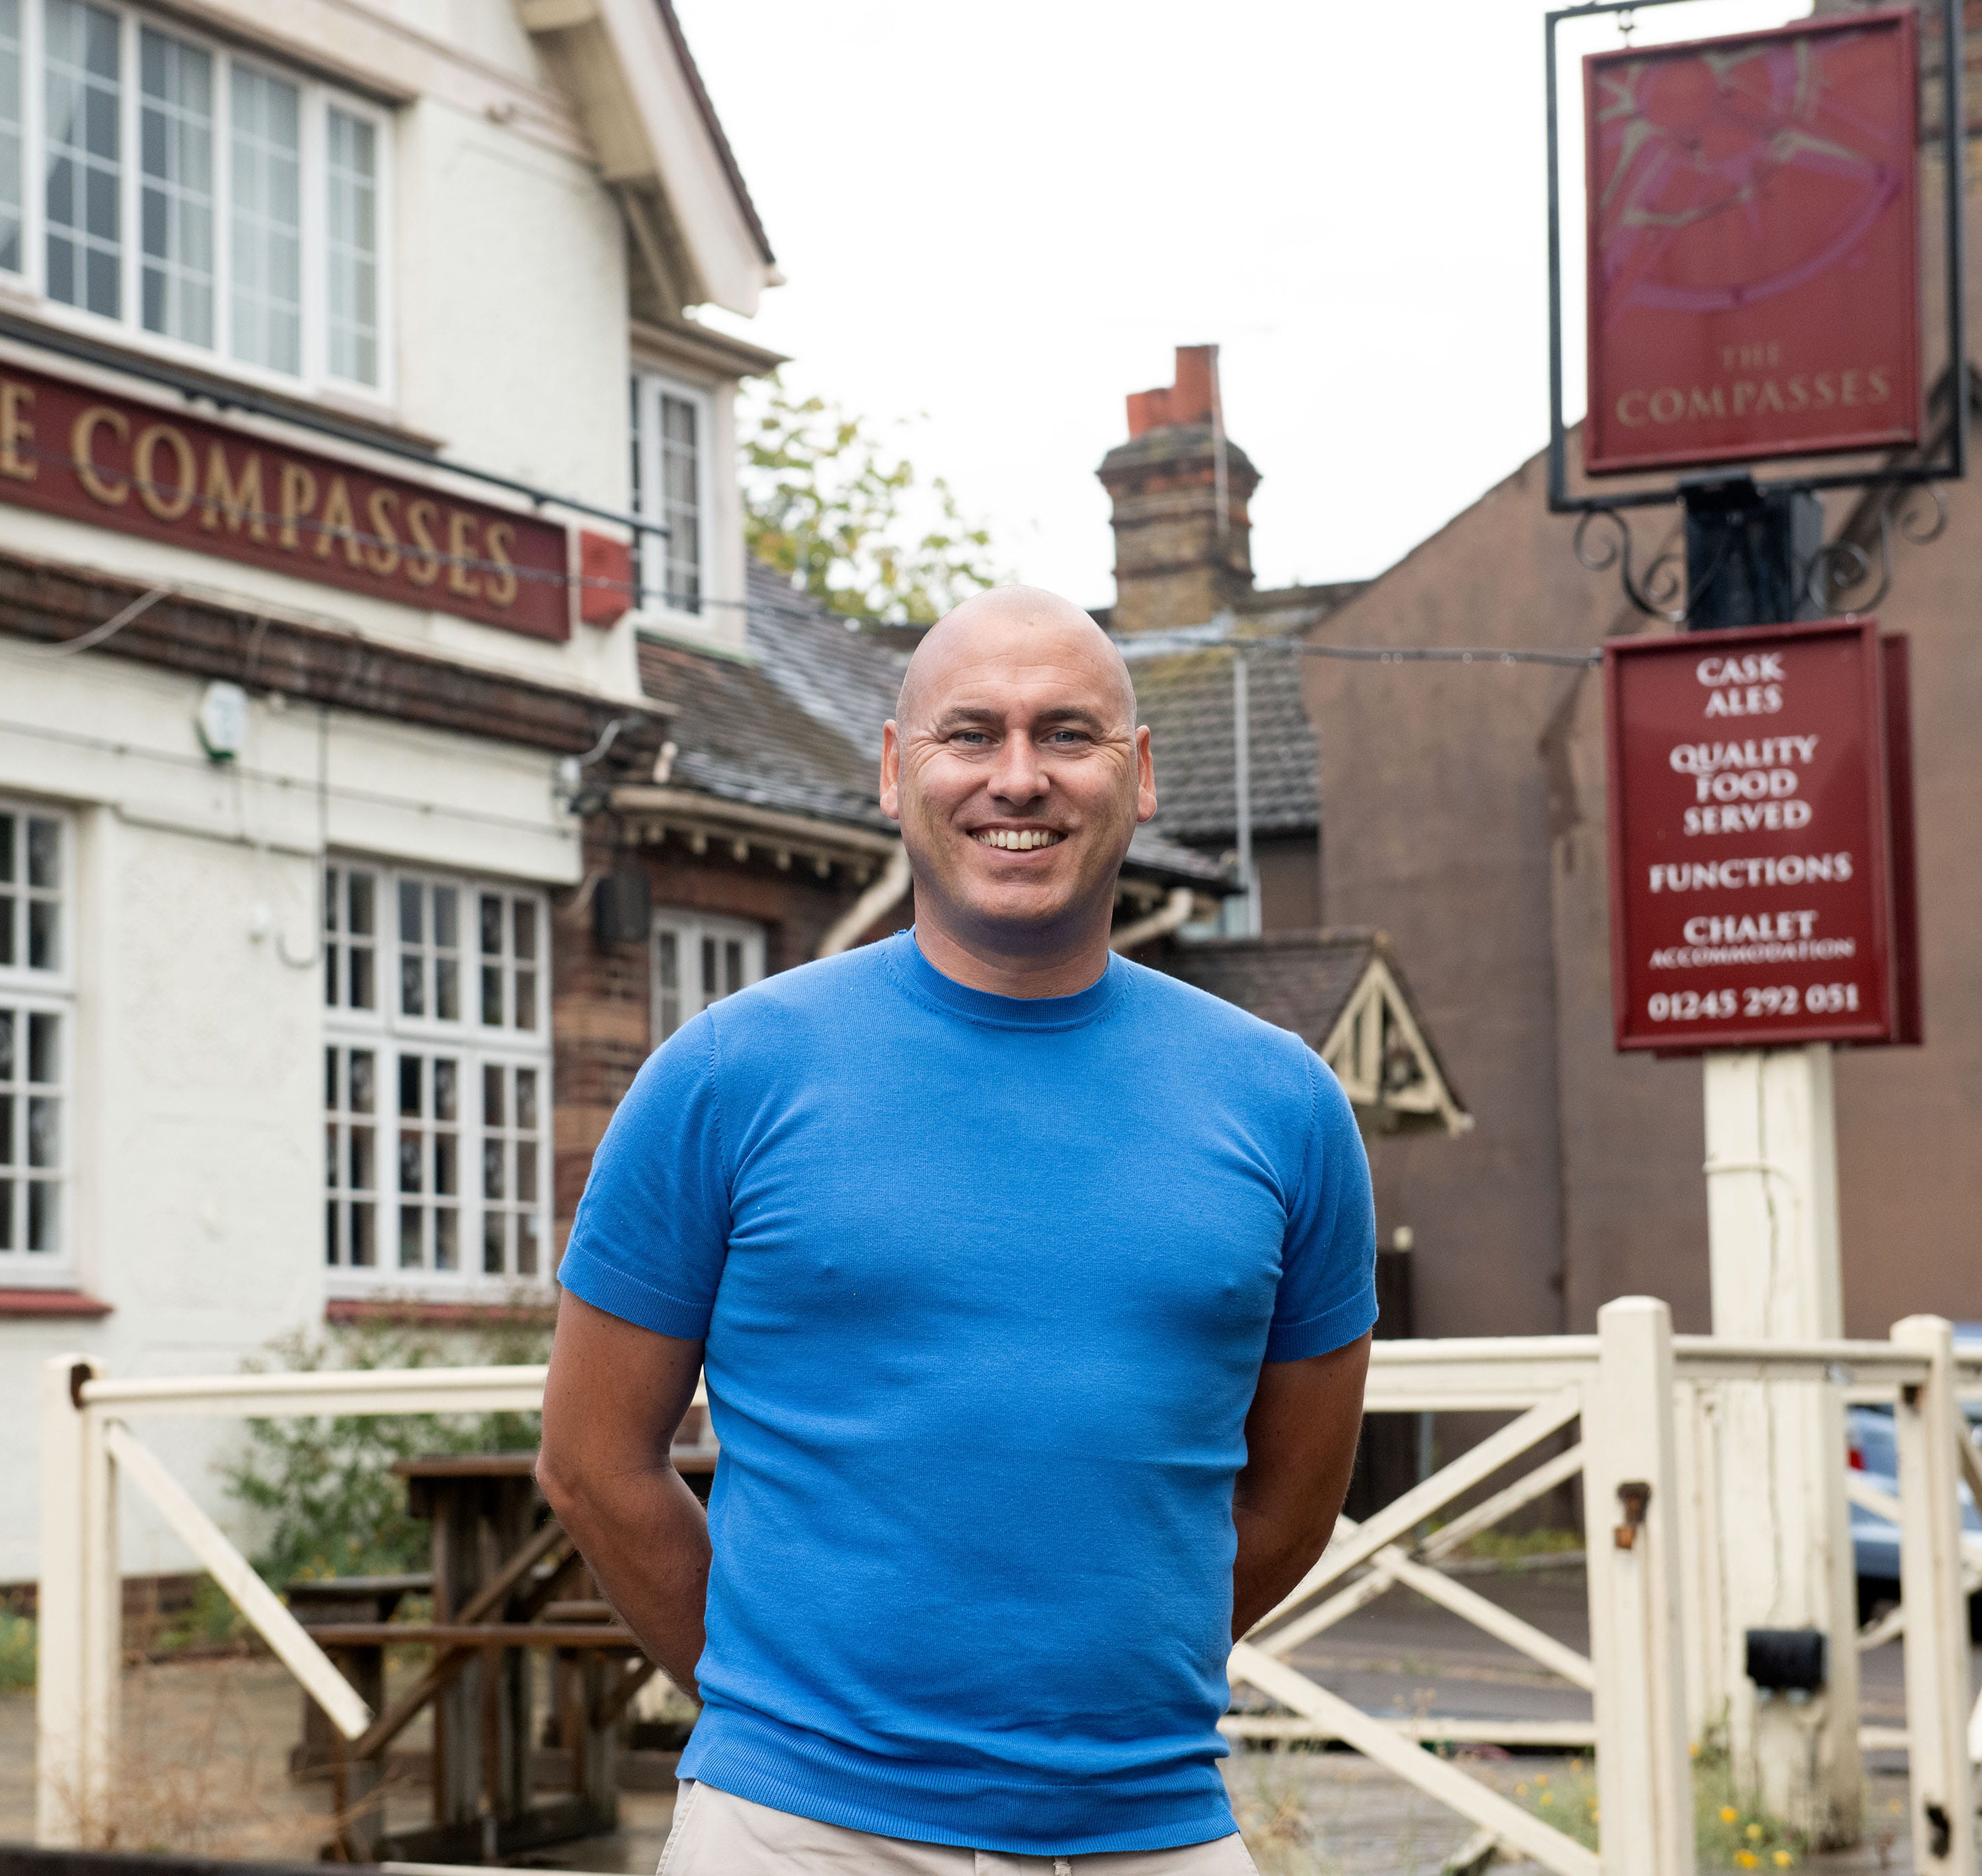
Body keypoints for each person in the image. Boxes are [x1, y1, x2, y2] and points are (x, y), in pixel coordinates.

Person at [538, 585, 1376, 1871]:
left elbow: (1296, 1499)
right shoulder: (725, 1077)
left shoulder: (1283, 1105)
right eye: (970, 734)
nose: (1019, 778)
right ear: (894, 770)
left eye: (1068, 736)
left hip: (1150, 1829)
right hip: (795, 1832)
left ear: (1141, 775)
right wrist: (794, 1715)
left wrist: (1092, 1708)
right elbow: (595, 1462)